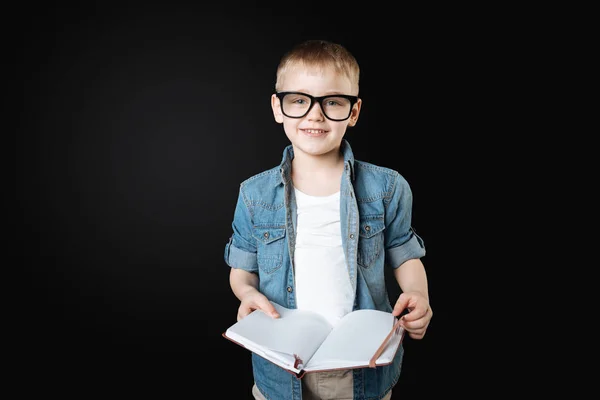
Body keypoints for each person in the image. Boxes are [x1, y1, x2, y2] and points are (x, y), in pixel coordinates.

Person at [223, 39, 432, 400]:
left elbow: (404, 252)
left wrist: (419, 295)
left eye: (333, 102)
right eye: (299, 100)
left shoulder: (387, 187)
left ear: (353, 112)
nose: (315, 115)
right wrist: (247, 293)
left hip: (362, 368)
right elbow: (242, 266)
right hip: (282, 369)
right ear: (278, 107)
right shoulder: (254, 195)